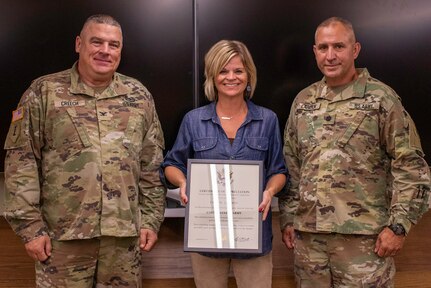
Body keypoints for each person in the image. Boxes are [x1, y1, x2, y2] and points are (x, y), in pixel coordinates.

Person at [3, 14, 166, 287]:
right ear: (79, 44)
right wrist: (30, 229)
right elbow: (21, 162)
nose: (105, 50)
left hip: (123, 240)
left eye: (114, 45)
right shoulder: (44, 92)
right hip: (61, 241)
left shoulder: (138, 96)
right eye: (97, 42)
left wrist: (150, 220)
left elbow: (151, 164)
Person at [279, 16, 430, 287]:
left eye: (339, 46)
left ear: (355, 49)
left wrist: (399, 226)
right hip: (310, 244)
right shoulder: (303, 102)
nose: (331, 55)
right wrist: (288, 217)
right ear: (315, 52)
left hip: (365, 244)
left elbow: (411, 165)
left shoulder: (381, 98)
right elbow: (291, 163)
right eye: (323, 48)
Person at [161, 40, 287, 288]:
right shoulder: (193, 121)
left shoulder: (268, 120)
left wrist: (270, 191)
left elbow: (278, 170)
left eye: (238, 71)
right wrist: (184, 182)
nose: (231, 77)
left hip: (254, 235)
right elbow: (171, 165)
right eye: (223, 71)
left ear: (249, 75)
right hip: (206, 236)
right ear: (212, 76)